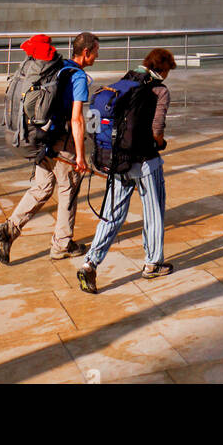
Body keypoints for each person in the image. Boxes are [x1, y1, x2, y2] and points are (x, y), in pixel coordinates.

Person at [0, 31, 99, 263]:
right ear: (86, 52)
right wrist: (80, 156)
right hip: (64, 144)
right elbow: (77, 119)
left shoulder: (57, 68)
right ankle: (62, 245)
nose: (96, 57)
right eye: (95, 53)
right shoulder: (78, 77)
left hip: (43, 139)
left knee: (41, 188)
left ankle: (8, 230)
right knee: (67, 191)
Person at [77, 47, 176, 294]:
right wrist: (161, 143)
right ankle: (153, 263)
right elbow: (157, 129)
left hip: (116, 160)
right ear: (162, 69)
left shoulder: (123, 82)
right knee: (153, 211)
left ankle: (90, 263)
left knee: (112, 215)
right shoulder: (159, 90)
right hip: (145, 162)